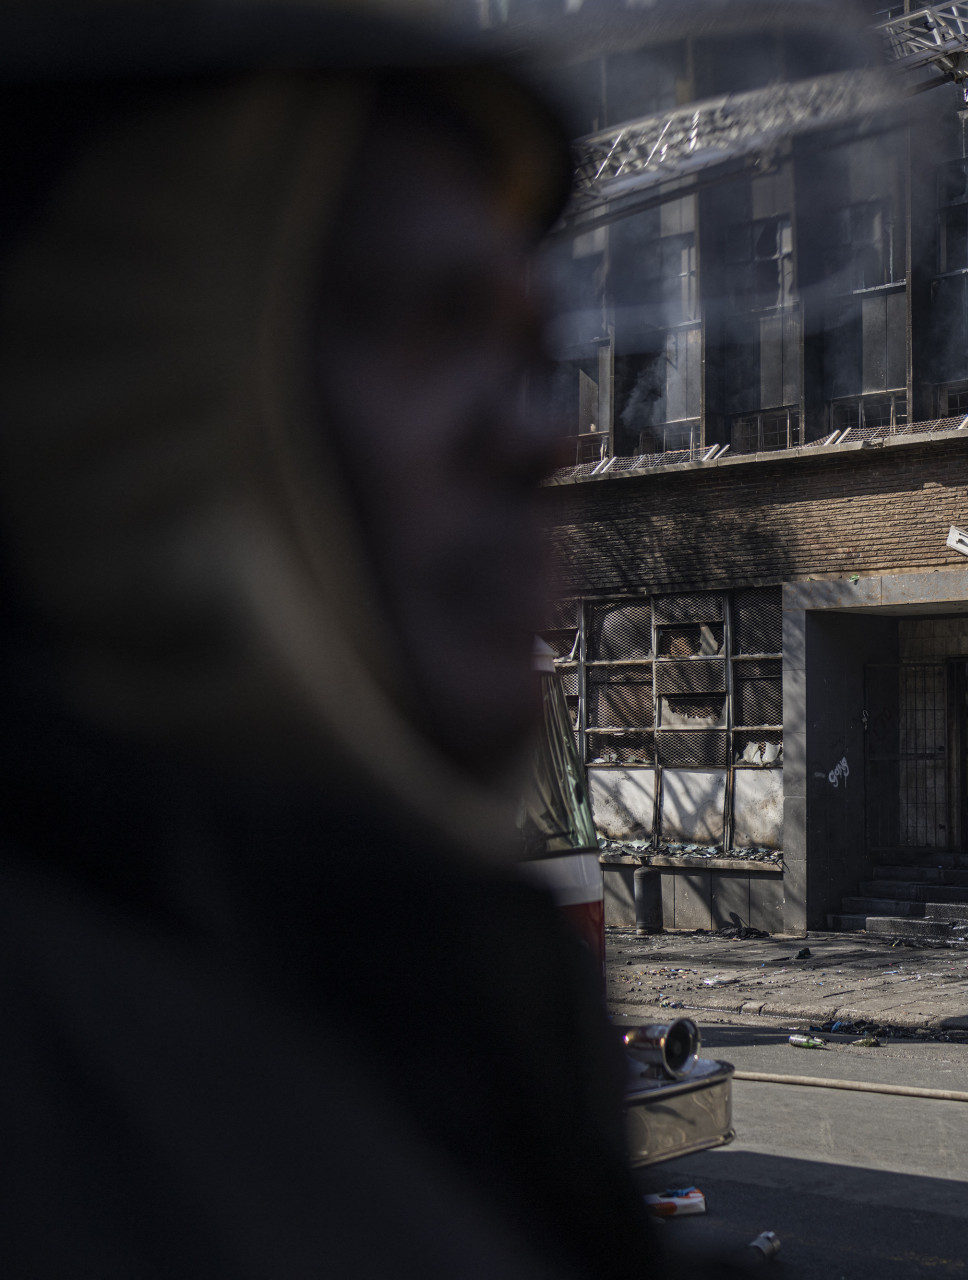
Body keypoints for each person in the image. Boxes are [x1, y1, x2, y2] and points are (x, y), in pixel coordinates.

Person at [0, 3, 668, 1274]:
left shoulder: (364, 980)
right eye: (429, 324)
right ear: (133, 406)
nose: (544, 438)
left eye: (526, 358)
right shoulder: (74, 1101)